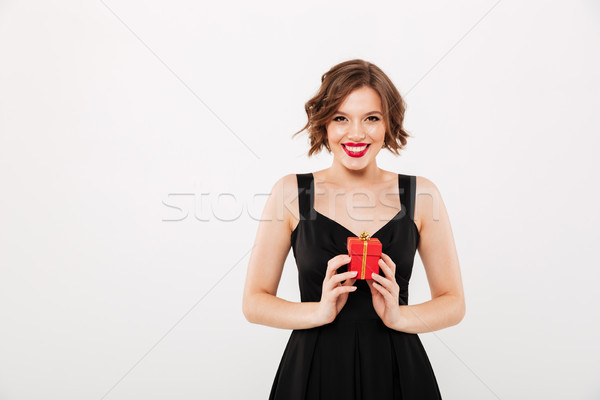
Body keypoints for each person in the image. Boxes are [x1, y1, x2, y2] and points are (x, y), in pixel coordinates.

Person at [242, 59, 465, 400]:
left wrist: (398, 316)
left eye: (371, 118)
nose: (357, 133)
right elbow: (254, 302)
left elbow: (453, 303)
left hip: (397, 369)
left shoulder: (422, 194)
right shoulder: (290, 193)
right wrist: (319, 311)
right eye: (341, 118)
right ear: (324, 123)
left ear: (389, 124)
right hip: (313, 368)